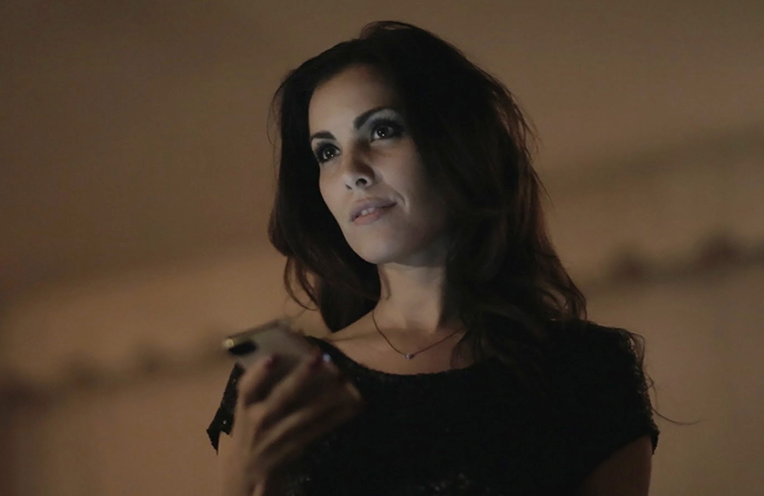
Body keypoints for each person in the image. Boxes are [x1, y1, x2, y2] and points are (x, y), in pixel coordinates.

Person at [207, 20, 659, 496]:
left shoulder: (587, 369)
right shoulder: (281, 389)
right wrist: (248, 479)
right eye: (326, 152)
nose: (350, 172)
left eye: (382, 130)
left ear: (458, 143)